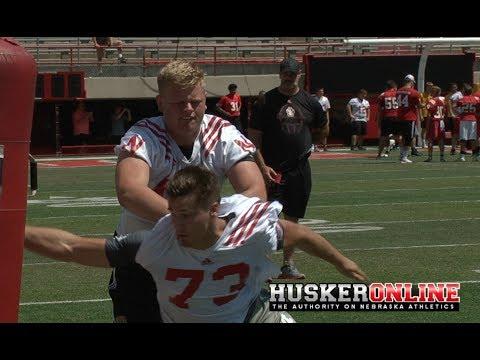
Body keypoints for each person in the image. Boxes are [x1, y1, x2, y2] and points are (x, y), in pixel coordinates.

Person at [24, 166, 367, 323]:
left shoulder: (250, 230)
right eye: (172, 213)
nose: (177, 223)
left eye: (187, 215)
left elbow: (302, 235)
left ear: (214, 209)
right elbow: (71, 248)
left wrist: (342, 263)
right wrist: (13, 230)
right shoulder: (155, 242)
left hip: (254, 316)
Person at [110, 60, 267, 322]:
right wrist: (194, 223)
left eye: (195, 102)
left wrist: (216, 229)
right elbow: (129, 191)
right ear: (160, 103)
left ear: (205, 99)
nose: (188, 110)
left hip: (201, 257)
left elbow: (255, 190)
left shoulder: (222, 132)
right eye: (178, 103)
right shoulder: (145, 135)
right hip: (143, 256)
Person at [248, 57, 326, 280]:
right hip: (271, 169)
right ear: (280, 73)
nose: (288, 76)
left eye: (292, 72)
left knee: (292, 218)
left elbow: (322, 128)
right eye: (285, 72)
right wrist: (262, 168)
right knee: (264, 218)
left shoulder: (310, 102)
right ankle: (261, 265)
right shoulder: (266, 101)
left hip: (299, 168)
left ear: (299, 74)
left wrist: (308, 144)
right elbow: (254, 139)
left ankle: (287, 265)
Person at [394, 74, 421, 163]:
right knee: (409, 138)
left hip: (399, 116)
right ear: (411, 82)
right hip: (409, 117)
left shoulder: (398, 91)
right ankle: (404, 157)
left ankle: (402, 155)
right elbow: (419, 105)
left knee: (402, 137)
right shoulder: (414, 92)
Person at [455, 84, 480, 162]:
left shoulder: (461, 99)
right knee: (473, 138)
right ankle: (475, 156)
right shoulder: (476, 99)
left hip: (464, 119)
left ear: (464, 91)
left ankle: (462, 156)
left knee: (463, 138)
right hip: (473, 120)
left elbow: (457, 109)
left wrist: (458, 112)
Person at [424, 86, 446, 162]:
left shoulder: (432, 100)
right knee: (441, 139)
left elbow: (428, 108)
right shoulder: (443, 99)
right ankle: (442, 157)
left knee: (430, 139)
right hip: (442, 121)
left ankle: (430, 157)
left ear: (434, 92)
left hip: (434, 121)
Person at [376, 80, 398, 159]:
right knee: (399, 136)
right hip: (397, 117)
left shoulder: (383, 95)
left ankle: (379, 154)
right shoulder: (398, 94)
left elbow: (379, 110)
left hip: (386, 117)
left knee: (383, 136)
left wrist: (378, 121)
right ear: (394, 87)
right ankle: (402, 154)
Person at [445, 83, 464, 156]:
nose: (454, 88)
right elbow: (449, 105)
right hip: (453, 116)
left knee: (458, 133)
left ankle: (458, 148)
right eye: (453, 87)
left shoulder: (459, 94)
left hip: (458, 116)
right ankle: (454, 148)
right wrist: (452, 113)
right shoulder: (449, 96)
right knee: (454, 133)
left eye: (455, 87)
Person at [419, 82, 434, 149]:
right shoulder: (421, 95)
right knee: (424, 129)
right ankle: (423, 142)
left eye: (431, 87)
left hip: (431, 114)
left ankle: (429, 142)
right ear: (426, 87)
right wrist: (421, 115)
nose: (430, 88)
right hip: (424, 114)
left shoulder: (432, 95)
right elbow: (419, 106)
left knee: (430, 129)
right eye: (429, 86)